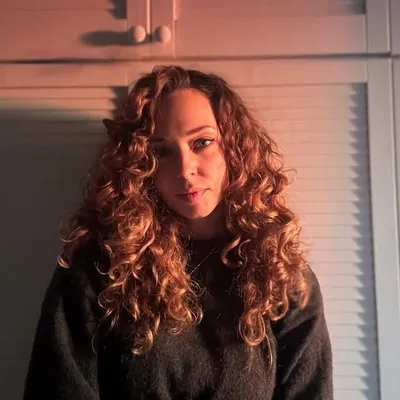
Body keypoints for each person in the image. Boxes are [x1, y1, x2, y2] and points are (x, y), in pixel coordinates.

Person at [24, 65, 333, 399]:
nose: (185, 170)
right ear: (140, 163)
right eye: (161, 151)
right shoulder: (100, 267)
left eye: (202, 142)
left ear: (235, 147)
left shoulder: (280, 273)